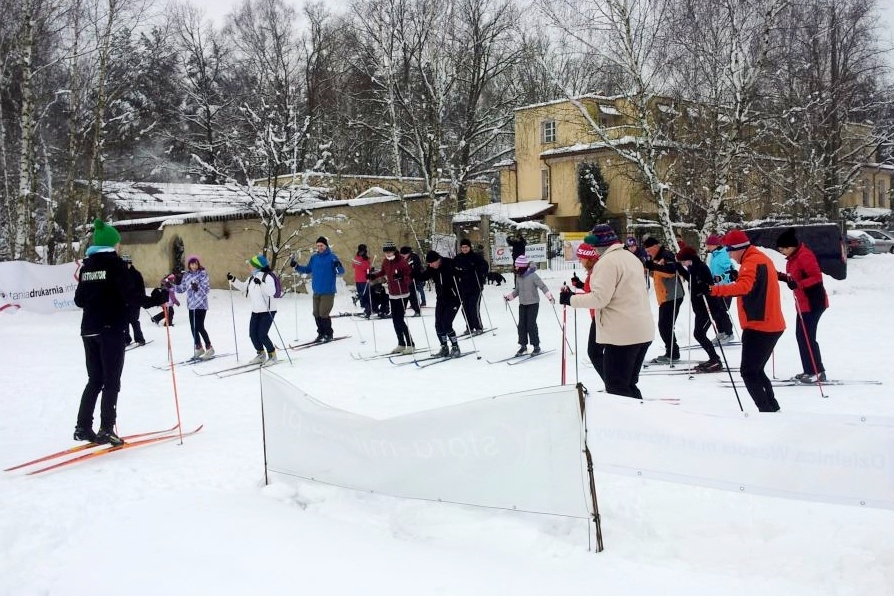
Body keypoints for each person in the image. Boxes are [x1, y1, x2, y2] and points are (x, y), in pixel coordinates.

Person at [559, 224, 654, 399]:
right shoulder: (630, 257)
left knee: (618, 389)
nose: (594, 251)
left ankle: (631, 424)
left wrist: (570, 299)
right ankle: (640, 419)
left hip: (622, 335)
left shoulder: (607, 262)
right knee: (627, 385)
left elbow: (599, 298)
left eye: (594, 247)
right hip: (641, 330)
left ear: (599, 246)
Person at [710, 229, 786, 412]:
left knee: (749, 372)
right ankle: (772, 409)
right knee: (756, 370)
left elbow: (744, 287)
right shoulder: (759, 258)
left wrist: (713, 290)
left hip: (760, 326)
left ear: (738, 248)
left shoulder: (751, 261)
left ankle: (767, 411)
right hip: (768, 324)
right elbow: (759, 279)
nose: (730, 255)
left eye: (730, 251)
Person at [73, 218, 131, 446]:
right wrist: (156, 299)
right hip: (110, 330)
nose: (119, 247)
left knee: (94, 380)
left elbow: (79, 300)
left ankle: (82, 426)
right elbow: (131, 296)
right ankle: (107, 428)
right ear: (112, 244)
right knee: (111, 381)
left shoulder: (87, 266)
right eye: (117, 243)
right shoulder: (116, 265)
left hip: (88, 330)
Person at [776, 227, 828, 383]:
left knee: (807, 337)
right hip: (803, 304)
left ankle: (817, 371)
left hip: (813, 302)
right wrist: (779, 276)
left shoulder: (804, 256)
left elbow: (816, 277)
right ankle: (809, 370)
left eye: (782, 249)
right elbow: (794, 279)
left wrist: (798, 284)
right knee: (801, 336)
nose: (781, 252)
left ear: (789, 246)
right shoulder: (793, 258)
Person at [674, 246, 724, 372]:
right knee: (699, 334)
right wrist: (679, 268)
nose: (683, 264)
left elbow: (708, 284)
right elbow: (691, 280)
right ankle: (714, 358)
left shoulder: (701, 267)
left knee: (699, 333)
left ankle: (715, 359)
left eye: (683, 261)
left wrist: (704, 287)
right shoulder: (692, 267)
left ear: (689, 259)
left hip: (708, 307)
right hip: (699, 308)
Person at [290, 236, 345, 342]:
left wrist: (338, 265)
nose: (320, 247)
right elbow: (307, 269)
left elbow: (341, 272)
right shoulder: (314, 258)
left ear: (326, 246)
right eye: (318, 246)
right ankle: (321, 333)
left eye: (322, 245)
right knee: (316, 313)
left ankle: (328, 334)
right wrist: (296, 266)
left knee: (323, 313)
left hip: (328, 291)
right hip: (317, 290)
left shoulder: (332, 257)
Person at [227, 255, 279, 365]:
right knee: (253, 334)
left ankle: (272, 355)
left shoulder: (267, 277)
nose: (249, 267)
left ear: (257, 266)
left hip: (268, 310)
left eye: (251, 265)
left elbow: (271, 292)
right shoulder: (251, 278)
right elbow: (243, 287)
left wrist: (261, 284)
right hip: (256, 311)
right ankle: (261, 354)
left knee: (262, 334)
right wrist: (233, 280)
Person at [642, 237, 685, 363]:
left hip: (673, 296)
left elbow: (671, 271)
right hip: (665, 297)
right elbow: (658, 273)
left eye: (649, 250)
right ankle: (672, 352)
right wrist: (648, 269)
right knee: (665, 326)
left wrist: (654, 267)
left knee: (665, 326)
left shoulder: (666, 255)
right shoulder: (657, 257)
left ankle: (673, 353)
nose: (649, 253)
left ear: (656, 247)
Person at [368, 242, 415, 354]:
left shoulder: (402, 262)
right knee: (395, 320)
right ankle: (401, 344)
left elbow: (410, 277)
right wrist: (373, 275)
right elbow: (383, 272)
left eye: (390, 251)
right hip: (392, 294)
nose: (388, 253)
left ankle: (410, 344)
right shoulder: (386, 261)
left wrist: (402, 277)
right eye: (386, 251)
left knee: (400, 320)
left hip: (402, 293)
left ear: (394, 251)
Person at [504, 254, 554, 356]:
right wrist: (509, 297)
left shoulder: (533, 276)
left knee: (531, 325)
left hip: (533, 304)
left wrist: (550, 297)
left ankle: (536, 346)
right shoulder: (518, 276)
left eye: (517, 266)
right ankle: (523, 346)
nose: (515, 268)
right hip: (522, 304)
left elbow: (543, 286)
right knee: (521, 325)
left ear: (522, 266)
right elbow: (517, 290)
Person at [418, 250, 463, 357]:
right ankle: (444, 347)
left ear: (437, 260)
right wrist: (413, 273)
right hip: (441, 298)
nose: (430, 265)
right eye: (429, 264)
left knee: (446, 324)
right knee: (438, 325)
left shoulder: (449, 263)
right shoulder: (432, 268)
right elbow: (423, 276)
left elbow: (463, 272)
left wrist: (459, 270)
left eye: (431, 263)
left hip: (454, 298)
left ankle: (455, 347)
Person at [569, 240, 603, 376]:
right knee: (597, 352)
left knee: (594, 352)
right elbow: (593, 291)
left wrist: (571, 298)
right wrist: (580, 285)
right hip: (597, 316)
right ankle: (613, 384)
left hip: (601, 316)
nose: (579, 261)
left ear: (589, 258)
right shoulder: (593, 272)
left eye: (581, 258)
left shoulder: (596, 272)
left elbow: (597, 297)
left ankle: (613, 385)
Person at [172, 254, 214, 360]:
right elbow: (182, 288)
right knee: (193, 327)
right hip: (191, 304)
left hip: (201, 304)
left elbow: (206, 289)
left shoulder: (202, 274)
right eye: (191, 264)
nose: (194, 266)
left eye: (195, 264)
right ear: (189, 265)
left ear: (198, 264)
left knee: (199, 326)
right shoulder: (186, 275)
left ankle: (209, 348)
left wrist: (197, 287)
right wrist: (171, 286)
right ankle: (199, 347)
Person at [704, 233, 736, 344]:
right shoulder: (714, 255)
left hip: (725, 288)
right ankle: (721, 332)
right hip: (716, 288)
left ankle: (729, 333)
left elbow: (732, 270)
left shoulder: (723, 254)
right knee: (715, 311)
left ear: (715, 245)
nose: (707, 247)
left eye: (709, 245)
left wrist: (722, 277)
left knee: (722, 310)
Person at [453, 238, 488, 334]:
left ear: (469, 247)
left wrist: (478, 269)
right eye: (462, 247)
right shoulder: (458, 258)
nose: (464, 249)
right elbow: (454, 269)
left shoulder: (476, 256)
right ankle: (469, 327)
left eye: (466, 247)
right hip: (463, 287)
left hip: (475, 286)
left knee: (473, 307)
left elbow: (485, 266)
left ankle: (478, 327)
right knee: (465, 308)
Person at [121, 254, 146, 347]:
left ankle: (140, 339)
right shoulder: (120, 275)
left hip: (134, 302)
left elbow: (141, 288)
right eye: (124, 263)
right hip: (123, 303)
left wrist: (141, 299)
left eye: (128, 263)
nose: (127, 265)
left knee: (134, 320)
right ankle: (126, 339)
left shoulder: (136, 274)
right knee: (124, 322)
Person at [400, 245, 425, 315]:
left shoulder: (414, 257)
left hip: (413, 279)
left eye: (404, 254)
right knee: (402, 296)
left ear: (408, 253)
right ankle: (401, 311)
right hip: (403, 279)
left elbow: (417, 267)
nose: (403, 255)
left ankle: (417, 310)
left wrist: (413, 274)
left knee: (411, 295)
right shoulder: (401, 258)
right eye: (401, 254)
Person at [352, 244, 372, 318]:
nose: (361, 252)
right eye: (360, 251)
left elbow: (367, 269)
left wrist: (368, 275)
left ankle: (368, 309)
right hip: (357, 279)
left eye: (363, 251)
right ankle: (363, 307)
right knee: (361, 294)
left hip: (364, 279)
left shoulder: (366, 259)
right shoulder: (356, 257)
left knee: (365, 294)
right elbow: (353, 266)